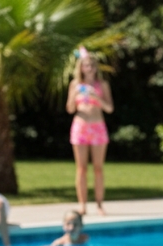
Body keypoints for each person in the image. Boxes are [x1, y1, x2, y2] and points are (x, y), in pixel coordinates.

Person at [66, 46, 114, 217]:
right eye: (86, 65)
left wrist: (96, 97)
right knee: (81, 169)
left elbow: (109, 108)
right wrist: (75, 95)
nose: (90, 68)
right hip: (80, 127)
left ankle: (99, 205)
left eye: (92, 65)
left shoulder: (102, 85)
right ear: (81, 67)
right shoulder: (75, 84)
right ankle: (82, 205)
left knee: (98, 168)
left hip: (97, 127)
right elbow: (70, 109)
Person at [18, 210, 89, 246]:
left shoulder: (84, 238)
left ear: (81, 226)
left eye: (75, 224)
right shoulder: (61, 242)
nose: (71, 227)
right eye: (68, 224)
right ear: (63, 225)